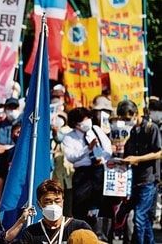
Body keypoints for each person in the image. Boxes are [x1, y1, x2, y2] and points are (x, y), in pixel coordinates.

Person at [62, 107, 113, 238]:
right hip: (82, 173)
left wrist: (103, 158)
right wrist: (87, 149)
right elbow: (71, 156)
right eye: (84, 119)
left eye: (88, 118)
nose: (88, 121)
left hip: (98, 170)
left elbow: (107, 147)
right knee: (81, 206)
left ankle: (101, 236)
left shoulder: (95, 130)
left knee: (100, 205)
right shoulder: (69, 137)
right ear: (76, 123)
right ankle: (83, 235)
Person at [117, 100, 161, 244]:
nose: (126, 121)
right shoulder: (133, 132)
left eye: (127, 118)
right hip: (134, 179)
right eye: (123, 119)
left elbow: (159, 153)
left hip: (148, 179)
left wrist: (138, 159)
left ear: (136, 114)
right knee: (145, 219)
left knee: (139, 216)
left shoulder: (151, 128)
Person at [21, 179, 92, 243]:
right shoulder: (31, 232)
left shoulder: (80, 227)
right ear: (39, 204)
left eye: (57, 201)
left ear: (63, 201)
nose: (53, 205)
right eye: (48, 201)